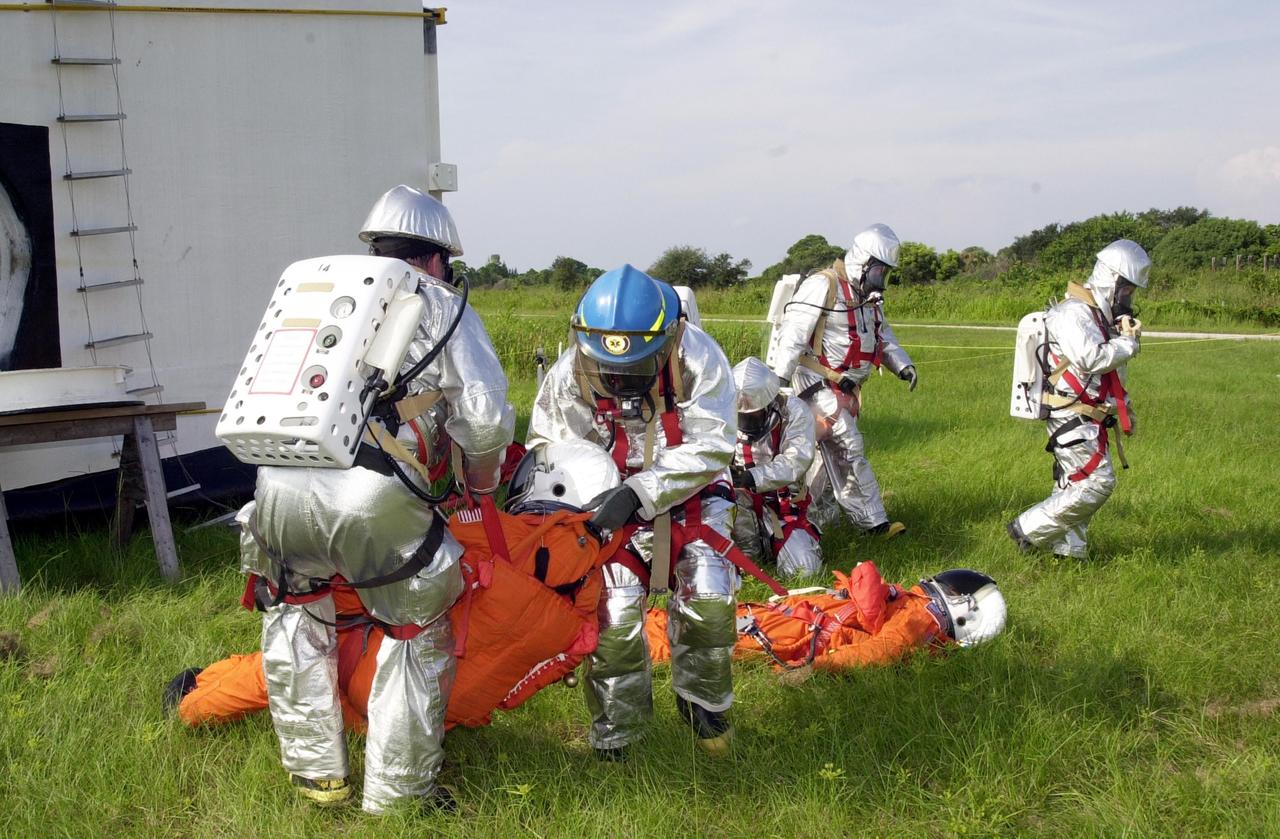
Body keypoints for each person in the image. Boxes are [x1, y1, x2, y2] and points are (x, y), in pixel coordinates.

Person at [233, 185, 515, 813]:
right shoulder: (441, 303)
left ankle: (317, 777)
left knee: (296, 614)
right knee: (414, 631)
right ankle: (399, 796)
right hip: (372, 498)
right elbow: (486, 420)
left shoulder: (320, 296)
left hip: (276, 484)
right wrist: (480, 484)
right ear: (438, 258)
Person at [167, 440, 622, 737]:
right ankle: (210, 678)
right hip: (442, 713)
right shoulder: (589, 592)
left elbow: (403, 560)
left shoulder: (489, 530)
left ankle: (191, 706)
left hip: (382, 679)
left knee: (300, 657)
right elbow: (522, 687)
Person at [527, 264, 743, 759]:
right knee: (612, 615)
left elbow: (714, 444)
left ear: (666, 340)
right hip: (607, 504)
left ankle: (704, 707)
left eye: (636, 365)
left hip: (692, 490)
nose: (622, 377)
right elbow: (550, 447)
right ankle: (619, 736)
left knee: (710, 597)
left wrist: (642, 490)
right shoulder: (571, 373)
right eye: (611, 365)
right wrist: (583, 500)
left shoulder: (697, 356)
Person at [766, 223, 916, 538]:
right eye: (879, 271)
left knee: (824, 460)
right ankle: (874, 524)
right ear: (863, 263)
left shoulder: (868, 299)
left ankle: (813, 520)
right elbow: (793, 334)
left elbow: (882, 336)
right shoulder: (823, 285)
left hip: (846, 390)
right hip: (816, 384)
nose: (881, 279)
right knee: (848, 446)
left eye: (885, 273)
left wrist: (903, 366)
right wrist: (779, 380)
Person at [1007, 239, 1148, 559]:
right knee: (1097, 482)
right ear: (1111, 281)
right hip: (1071, 413)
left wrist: (1123, 406)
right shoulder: (1074, 313)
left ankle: (1068, 551)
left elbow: (1109, 376)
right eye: (1126, 290)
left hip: (1089, 414)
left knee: (1075, 483)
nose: (1129, 298)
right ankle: (1028, 529)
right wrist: (1129, 343)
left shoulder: (1098, 316)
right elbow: (1091, 359)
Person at [645, 562, 1006, 669]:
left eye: (957, 589)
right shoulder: (915, 607)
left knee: (688, 633)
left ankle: (628, 637)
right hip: (800, 618)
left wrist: (815, 668)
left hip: (798, 627)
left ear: (965, 612)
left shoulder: (921, 618)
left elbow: (880, 651)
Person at [728, 356, 822, 578]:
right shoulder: (721, 412)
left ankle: (781, 543)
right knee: (729, 570)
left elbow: (796, 460)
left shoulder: (794, 411)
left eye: (753, 414)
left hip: (784, 505)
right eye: (741, 415)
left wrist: (752, 477)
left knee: (803, 571)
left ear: (769, 402)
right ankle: (748, 553)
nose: (746, 421)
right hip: (738, 506)